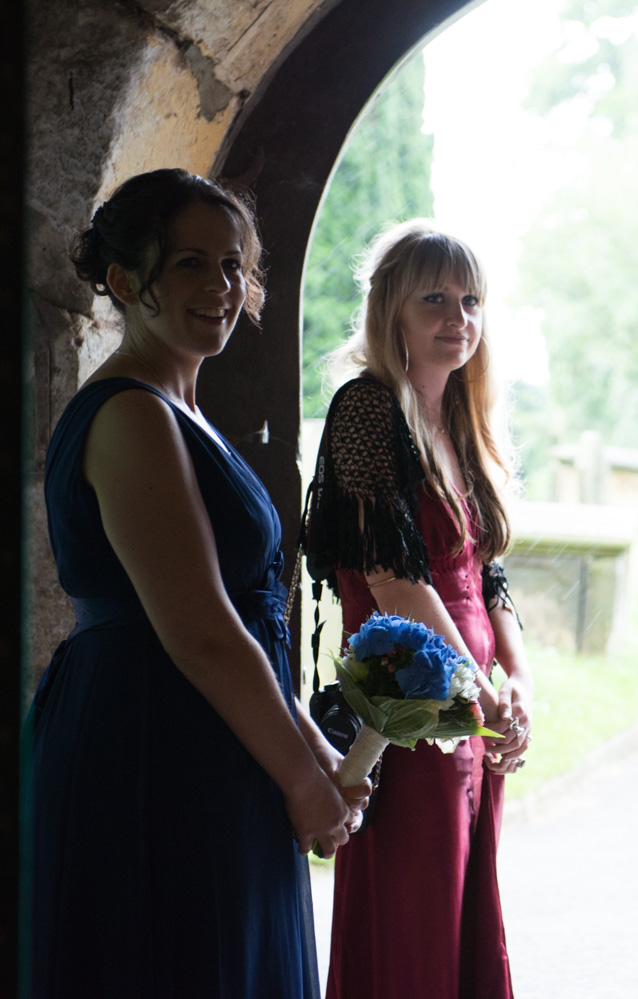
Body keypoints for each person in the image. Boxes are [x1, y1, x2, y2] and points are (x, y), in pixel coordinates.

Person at [28, 168, 369, 998]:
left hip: (215, 734)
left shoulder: (184, 410)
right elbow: (203, 630)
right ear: (123, 281)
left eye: (231, 265)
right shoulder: (132, 414)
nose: (221, 286)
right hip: (151, 744)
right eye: (190, 263)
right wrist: (297, 777)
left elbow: (240, 625)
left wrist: (314, 748)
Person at [305, 219, 532, 999]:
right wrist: (483, 688)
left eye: (471, 300)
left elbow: (487, 575)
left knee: (465, 915)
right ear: (391, 307)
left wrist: (520, 685)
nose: (457, 317)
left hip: (472, 712)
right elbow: (395, 580)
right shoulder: (368, 411)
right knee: (410, 925)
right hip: (404, 709)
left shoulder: (463, 422)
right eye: (434, 296)